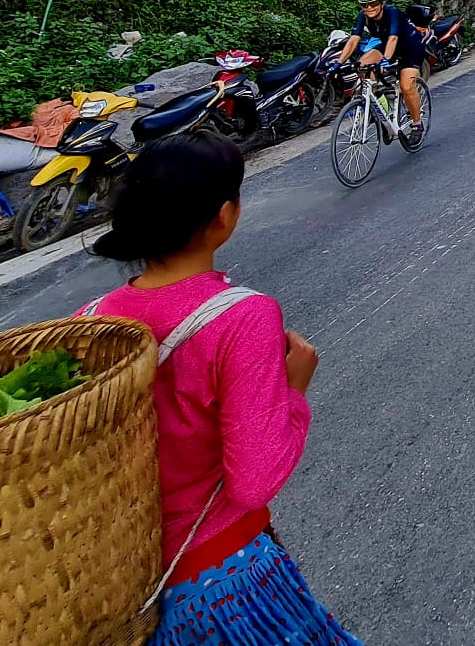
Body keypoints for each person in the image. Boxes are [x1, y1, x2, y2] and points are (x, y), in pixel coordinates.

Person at [78, 135, 360, 645]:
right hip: (222, 581)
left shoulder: (92, 322)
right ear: (224, 216)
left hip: (126, 589)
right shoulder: (241, 318)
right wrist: (294, 393)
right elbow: (253, 482)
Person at [335, 0, 426, 141]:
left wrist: (385, 60)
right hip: (387, 46)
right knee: (362, 66)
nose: (369, 8)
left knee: (406, 86)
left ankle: (417, 124)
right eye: (365, 5)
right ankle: (383, 111)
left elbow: (393, 38)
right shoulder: (363, 16)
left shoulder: (393, 13)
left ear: (382, 3)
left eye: (373, 4)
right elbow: (354, 39)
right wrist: (338, 63)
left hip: (410, 47)